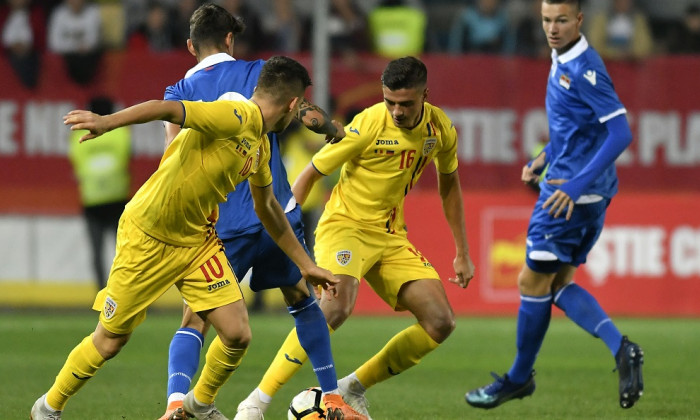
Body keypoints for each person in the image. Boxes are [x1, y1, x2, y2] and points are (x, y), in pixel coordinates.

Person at [29, 56, 340, 420]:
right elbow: (169, 109)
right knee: (110, 340)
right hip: (148, 233)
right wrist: (107, 121)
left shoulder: (261, 144)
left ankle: (196, 406)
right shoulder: (235, 115)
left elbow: (268, 208)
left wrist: (306, 266)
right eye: (298, 105)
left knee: (237, 333)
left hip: (196, 241)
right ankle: (48, 407)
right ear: (291, 105)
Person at [234, 56, 476, 419]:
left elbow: (450, 186)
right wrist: (284, 227)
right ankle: (257, 401)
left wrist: (462, 251)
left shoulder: (440, 129)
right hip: (345, 226)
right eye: (389, 101)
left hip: (391, 235)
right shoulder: (367, 126)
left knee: (441, 322)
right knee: (335, 307)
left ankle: (352, 388)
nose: (395, 111)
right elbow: (310, 174)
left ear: (425, 95)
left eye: (405, 103)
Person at [154, 4, 364, 420]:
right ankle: (331, 397)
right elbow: (305, 114)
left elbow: (172, 157)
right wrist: (333, 129)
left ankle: (177, 403)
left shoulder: (177, 94)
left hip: (221, 221)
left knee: (196, 317)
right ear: (230, 39)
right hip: (274, 209)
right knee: (303, 299)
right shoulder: (261, 72)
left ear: (191, 46)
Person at [465, 0, 644, 411]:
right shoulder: (560, 56)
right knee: (557, 282)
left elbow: (620, 133)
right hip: (585, 191)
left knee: (531, 283)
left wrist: (574, 183)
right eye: (547, 20)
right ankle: (621, 348)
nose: (552, 28)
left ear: (579, 20)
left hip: (568, 194)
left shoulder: (585, 67)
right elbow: (577, 128)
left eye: (562, 20)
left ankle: (517, 378)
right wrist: (543, 157)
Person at [68, 96, 131, 291]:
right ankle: (127, 293)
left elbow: (78, 165)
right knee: (125, 251)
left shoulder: (78, 134)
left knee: (96, 252)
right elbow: (125, 158)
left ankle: (101, 295)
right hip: (117, 198)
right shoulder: (120, 131)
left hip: (92, 199)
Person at [586, 0, 653, 60]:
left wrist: (631, 54)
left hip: (631, 65)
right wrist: (615, 54)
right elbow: (595, 44)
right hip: (606, 63)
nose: (623, 3)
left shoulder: (638, 20)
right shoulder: (600, 19)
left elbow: (644, 45)